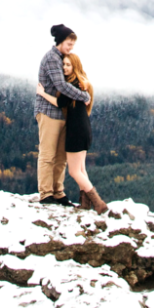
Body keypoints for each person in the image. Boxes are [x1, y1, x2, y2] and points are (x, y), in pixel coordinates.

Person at [35, 51, 108, 212]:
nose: (64, 68)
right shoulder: (83, 83)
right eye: (63, 65)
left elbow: (60, 102)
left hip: (75, 131)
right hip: (85, 129)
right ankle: (85, 203)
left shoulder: (73, 85)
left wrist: (42, 94)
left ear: (75, 66)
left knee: (74, 171)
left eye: (68, 65)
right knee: (81, 169)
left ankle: (98, 202)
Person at [35, 23, 93, 206]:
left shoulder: (61, 57)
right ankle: (46, 193)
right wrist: (84, 96)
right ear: (60, 42)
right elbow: (60, 86)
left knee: (60, 156)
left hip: (60, 113)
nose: (71, 48)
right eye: (69, 44)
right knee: (48, 154)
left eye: (72, 45)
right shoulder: (52, 59)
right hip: (48, 111)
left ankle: (58, 192)